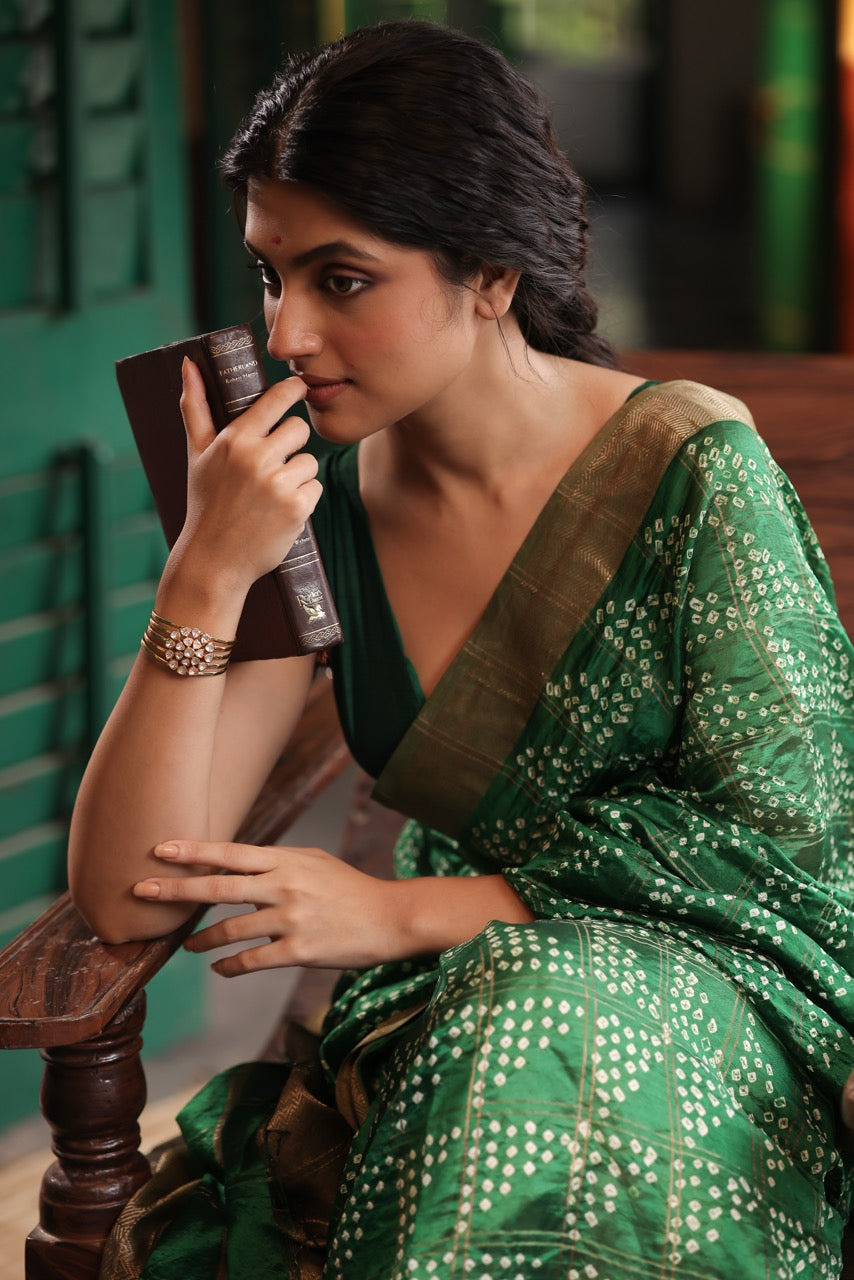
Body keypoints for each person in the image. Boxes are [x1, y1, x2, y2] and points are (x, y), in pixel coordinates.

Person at [68, 19, 853, 1280]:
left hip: (718, 998)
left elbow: (788, 844)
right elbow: (126, 890)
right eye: (270, 275)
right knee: (519, 1032)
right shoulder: (299, 500)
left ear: (490, 271)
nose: (285, 335)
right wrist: (206, 574)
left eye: (343, 278)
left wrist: (398, 908)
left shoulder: (691, 464)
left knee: (550, 1027)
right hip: (457, 1008)